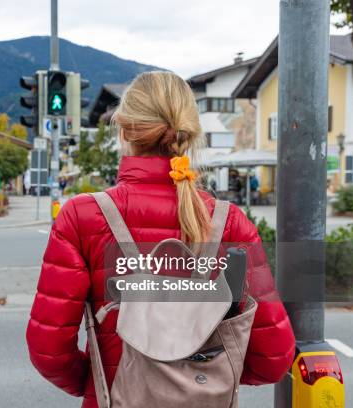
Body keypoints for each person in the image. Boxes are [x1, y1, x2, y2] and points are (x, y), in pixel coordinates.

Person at [26, 72, 295, 407]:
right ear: (191, 131)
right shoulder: (230, 224)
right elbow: (273, 358)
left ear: (123, 129)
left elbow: (48, 348)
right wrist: (205, 377)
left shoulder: (82, 217)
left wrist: (98, 380)